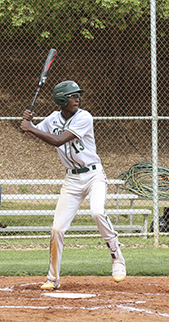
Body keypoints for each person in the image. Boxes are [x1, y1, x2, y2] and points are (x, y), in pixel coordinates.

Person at [20, 80, 126, 290]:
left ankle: (117, 256)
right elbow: (33, 133)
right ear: (61, 99)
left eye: (77, 95)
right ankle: (53, 278)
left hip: (94, 175)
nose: (77, 98)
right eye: (72, 96)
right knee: (57, 229)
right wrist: (28, 124)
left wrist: (32, 127)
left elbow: (58, 140)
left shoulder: (85, 117)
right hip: (72, 180)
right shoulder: (52, 118)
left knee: (97, 212)